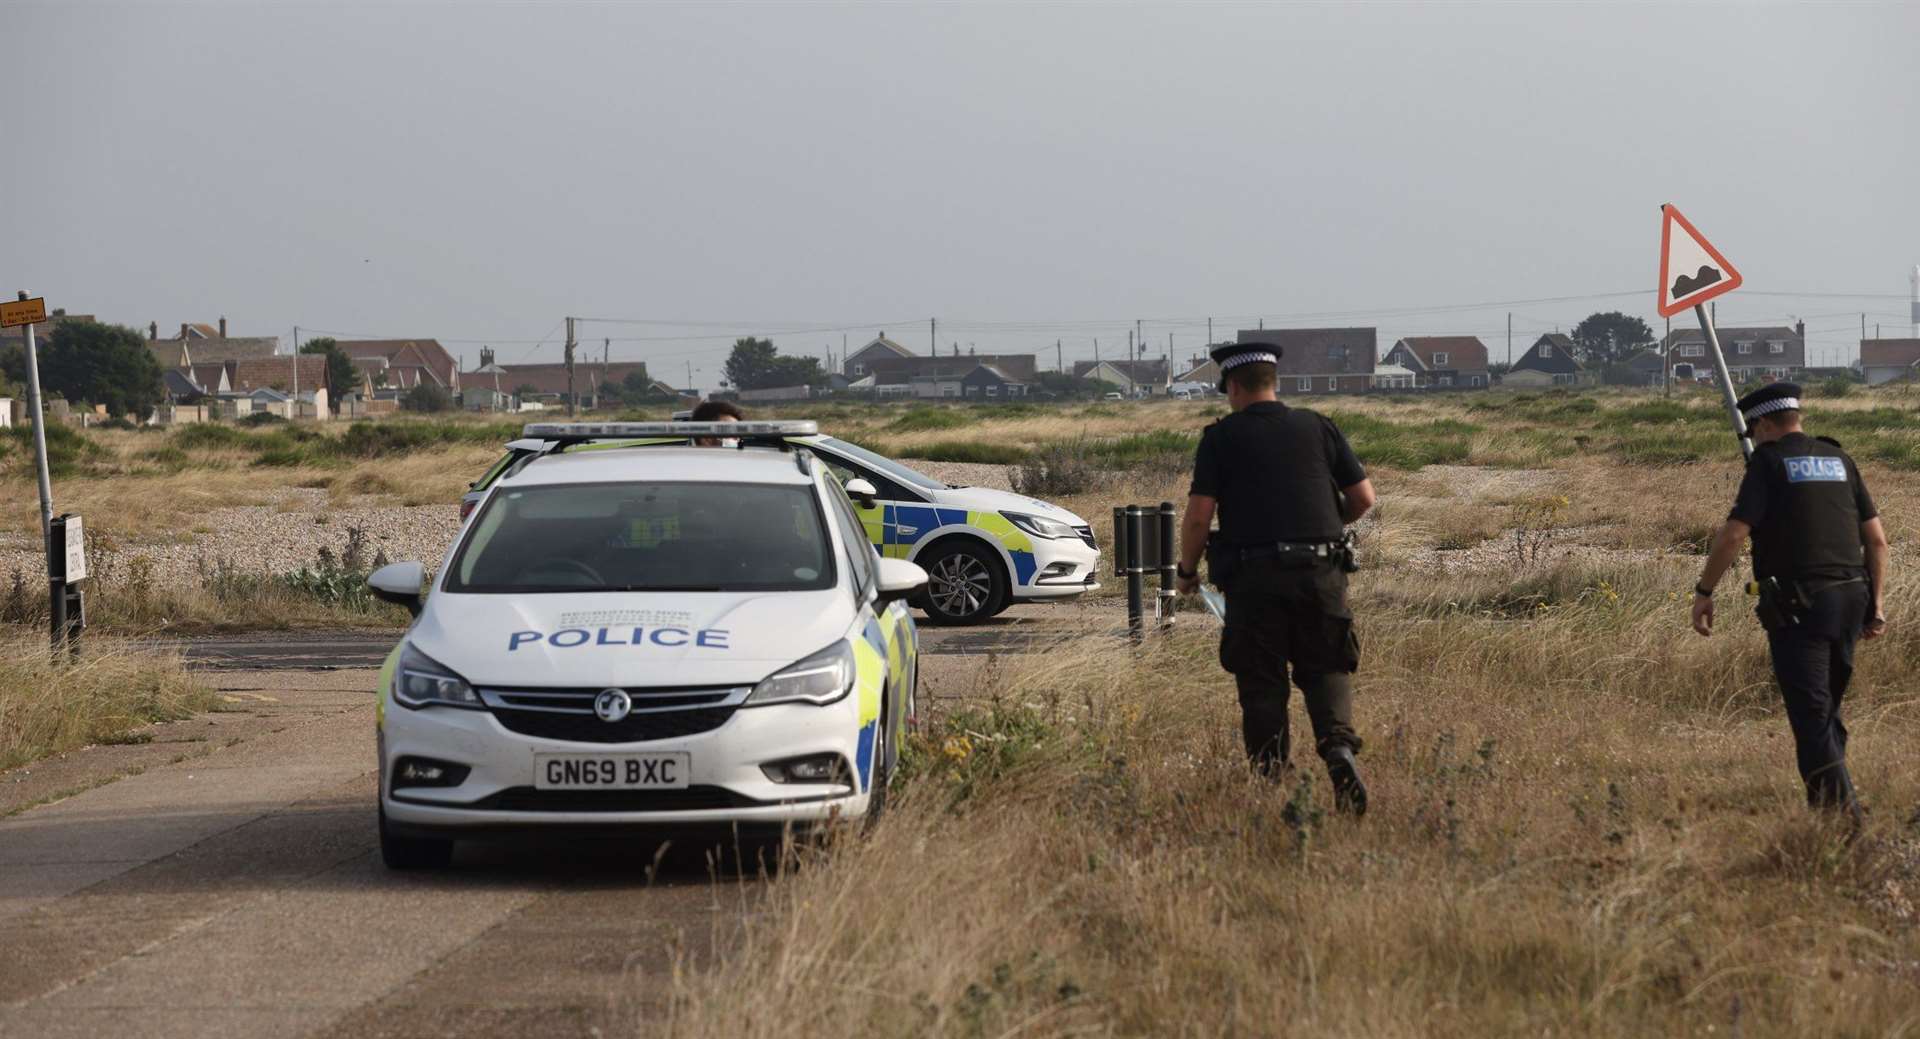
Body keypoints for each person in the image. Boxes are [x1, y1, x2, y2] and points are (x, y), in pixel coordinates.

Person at [1175, 342, 1377, 814]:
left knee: (1262, 681)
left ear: (1235, 386)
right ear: (1274, 382)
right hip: (1322, 572)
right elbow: (1364, 498)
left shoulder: (1221, 439)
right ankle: (1338, 748)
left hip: (1254, 579)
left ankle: (1271, 781)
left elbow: (1199, 518)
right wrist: (1321, 529)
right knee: (1326, 666)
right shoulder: (1319, 427)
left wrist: (1187, 572)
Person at [1691, 382, 1889, 820]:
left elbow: (1735, 534)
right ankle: (1827, 810)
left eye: (1753, 433)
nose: (1753, 441)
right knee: (1828, 710)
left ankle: (1845, 820)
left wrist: (1704, 592)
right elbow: (1876, 540)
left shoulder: (1768, 462)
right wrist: (1876, 606)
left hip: (1802, 606)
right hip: (1852, 598)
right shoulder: (1839, 459)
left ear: (1762, 424)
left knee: (1812, 714)